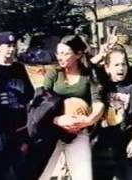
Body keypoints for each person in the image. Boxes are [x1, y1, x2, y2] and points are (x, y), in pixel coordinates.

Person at [39, 35, 104, 180]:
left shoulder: (89, 74)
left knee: (83, 176)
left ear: (78, 54)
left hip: (79, 131)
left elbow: (98, 102)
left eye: (65, 53)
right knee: (43, 175)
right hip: (53, 131)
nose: (60, 57)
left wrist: (88, 120)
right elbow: (42, 103)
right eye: (58, 53)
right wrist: (58, 120)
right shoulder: (54, 73)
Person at [0, 31, 34, 180]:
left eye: (14, 46)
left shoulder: (19, 68)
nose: (12, 49)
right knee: (1, 172)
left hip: (19, 128)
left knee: (21, 171)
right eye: (8, 46)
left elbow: (28, 94)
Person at [98, 44, 132, 180]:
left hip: (126, 141)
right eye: (116, 65)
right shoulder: (100, 87)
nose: (121, 68)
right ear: (107, 68)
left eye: (124, 64)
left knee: (130, 174)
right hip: (104, 141)